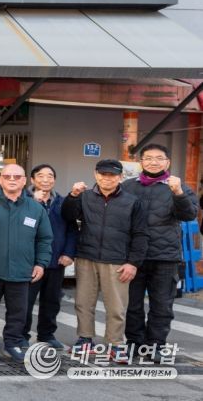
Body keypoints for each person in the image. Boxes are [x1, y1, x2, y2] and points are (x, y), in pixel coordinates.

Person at [62, 159, 148, 361]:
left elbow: (140, 234)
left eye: (112, 175)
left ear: (120, 177)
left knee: (116, 306)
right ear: (95, 174)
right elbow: (67, 216)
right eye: (103, 174)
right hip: (87, 257)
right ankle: (85, 339)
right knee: (83, 302)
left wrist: (133, 263)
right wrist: (72, 196)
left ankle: (115, 344)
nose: (107, 178)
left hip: (117, 260)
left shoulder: (133, 202)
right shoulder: (84, 196)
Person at [0, 164, 53, 362]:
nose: (12, 180)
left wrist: (41, 263)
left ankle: (13, 343)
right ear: (1, 180)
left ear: (24, 181)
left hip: (22, 270)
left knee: (18, 311)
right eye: (7, 176)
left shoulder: (36, 208)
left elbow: (45, 239)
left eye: (17, 176)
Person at [121, 144, 198, 362]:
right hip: (134, 257)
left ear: (167, 162)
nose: (153, 162)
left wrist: (178, 193)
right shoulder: (127, 186)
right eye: (148, 158)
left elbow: (189, 214)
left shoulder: (178, 186)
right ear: (141, 162)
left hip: (165, 257)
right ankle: (134, 343)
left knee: (162, 305)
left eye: (159, 158)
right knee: (132, 304)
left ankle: (155, 345)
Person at [22, 164, 77, 350]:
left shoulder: (62, 202)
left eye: (50, 176)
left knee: (52, 301)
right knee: (25, 301)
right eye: (40, 176)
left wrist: (68, 253)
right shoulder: (22, 200)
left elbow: (72, 230)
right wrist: (34, 203)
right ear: (32, 180)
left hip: (55, 261)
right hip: (29, 261)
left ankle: (46, 335)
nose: (45, 179)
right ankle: (21, 335)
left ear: (54, 180)